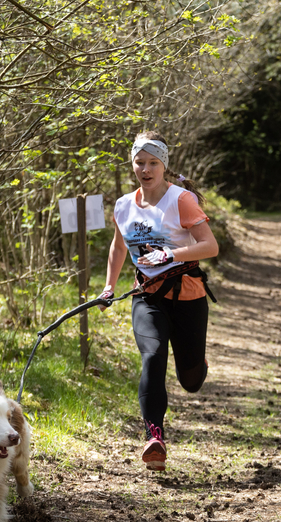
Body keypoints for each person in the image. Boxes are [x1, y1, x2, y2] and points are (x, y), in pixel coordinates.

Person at [99, 131, 218, 471]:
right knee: (152, 355)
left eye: (153, 163)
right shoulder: (123, 206)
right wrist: (108, 286)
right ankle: (154, 437)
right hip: (147, 296)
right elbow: (119, 247)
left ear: (164, 165)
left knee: (190, 379)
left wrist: (171, 253)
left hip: (188, 296)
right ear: (132, 164)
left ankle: (197, 364)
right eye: (140, 162)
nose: (146, 169)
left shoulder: (180, 200)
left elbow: (210, 246)